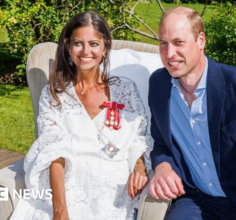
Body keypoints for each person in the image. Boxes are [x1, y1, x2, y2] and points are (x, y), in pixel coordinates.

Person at [148, 6, 236, 220]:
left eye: (179, 42)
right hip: (196, 200)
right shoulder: (159, 84)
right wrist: (163, 167)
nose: (169, 54)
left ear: (201, 41)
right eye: (163, 43)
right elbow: (161, 143)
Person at [10, 11, 152, 220]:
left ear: (105, 46)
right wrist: (61, 212)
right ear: (68, 46)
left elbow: (137, 138)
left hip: (114, 188)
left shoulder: (126, 90)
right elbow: (54, 153)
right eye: (78, 43)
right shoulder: (54, 95)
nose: (86, 51)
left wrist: (140, 168)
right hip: (68, 186)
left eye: (94, 43)